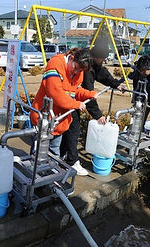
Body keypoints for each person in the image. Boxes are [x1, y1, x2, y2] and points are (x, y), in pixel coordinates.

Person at [60, 43, 124, 176]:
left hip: (73, 97)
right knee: (73, 130)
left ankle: (63, 155)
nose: (103, 62)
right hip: (70, 99)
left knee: (67, 129)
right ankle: (72, 161)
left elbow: (103, 74)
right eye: (103, 59)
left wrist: (115, 84)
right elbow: (88, 94)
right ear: (97, 57)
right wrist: (98, 115)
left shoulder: (93, 62)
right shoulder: (86, 68)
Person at [30, 48, 97, 159]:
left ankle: (51, 174)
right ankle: (35, 174)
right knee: (37, 155)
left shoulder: (78, 73)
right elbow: (55, 94)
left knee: (54, 153)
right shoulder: (55, 64)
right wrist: (76, 104)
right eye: (75, 68)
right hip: (44, 119)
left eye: (80, 71)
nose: (76, 72)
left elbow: (75, 90)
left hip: (59, 121)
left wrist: (89, 94)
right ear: (71, 58)